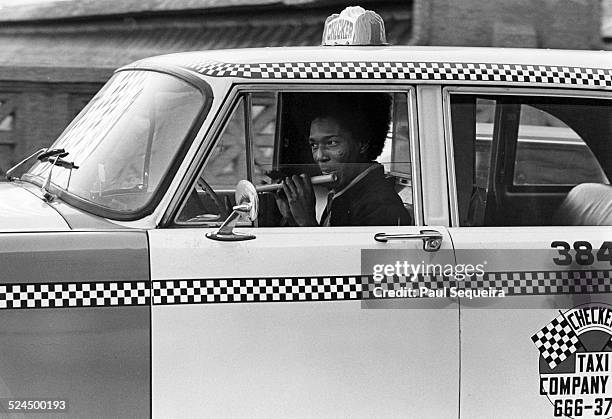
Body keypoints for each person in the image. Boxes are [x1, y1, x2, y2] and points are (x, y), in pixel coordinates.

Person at [274, 93, 412, 227]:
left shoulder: (380, 206)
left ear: (362, 143)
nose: (319, 156)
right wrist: (292, 216)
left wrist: (307, 221)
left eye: (332, 143)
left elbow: (344, 251)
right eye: (314, 145)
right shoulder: (342, 193)